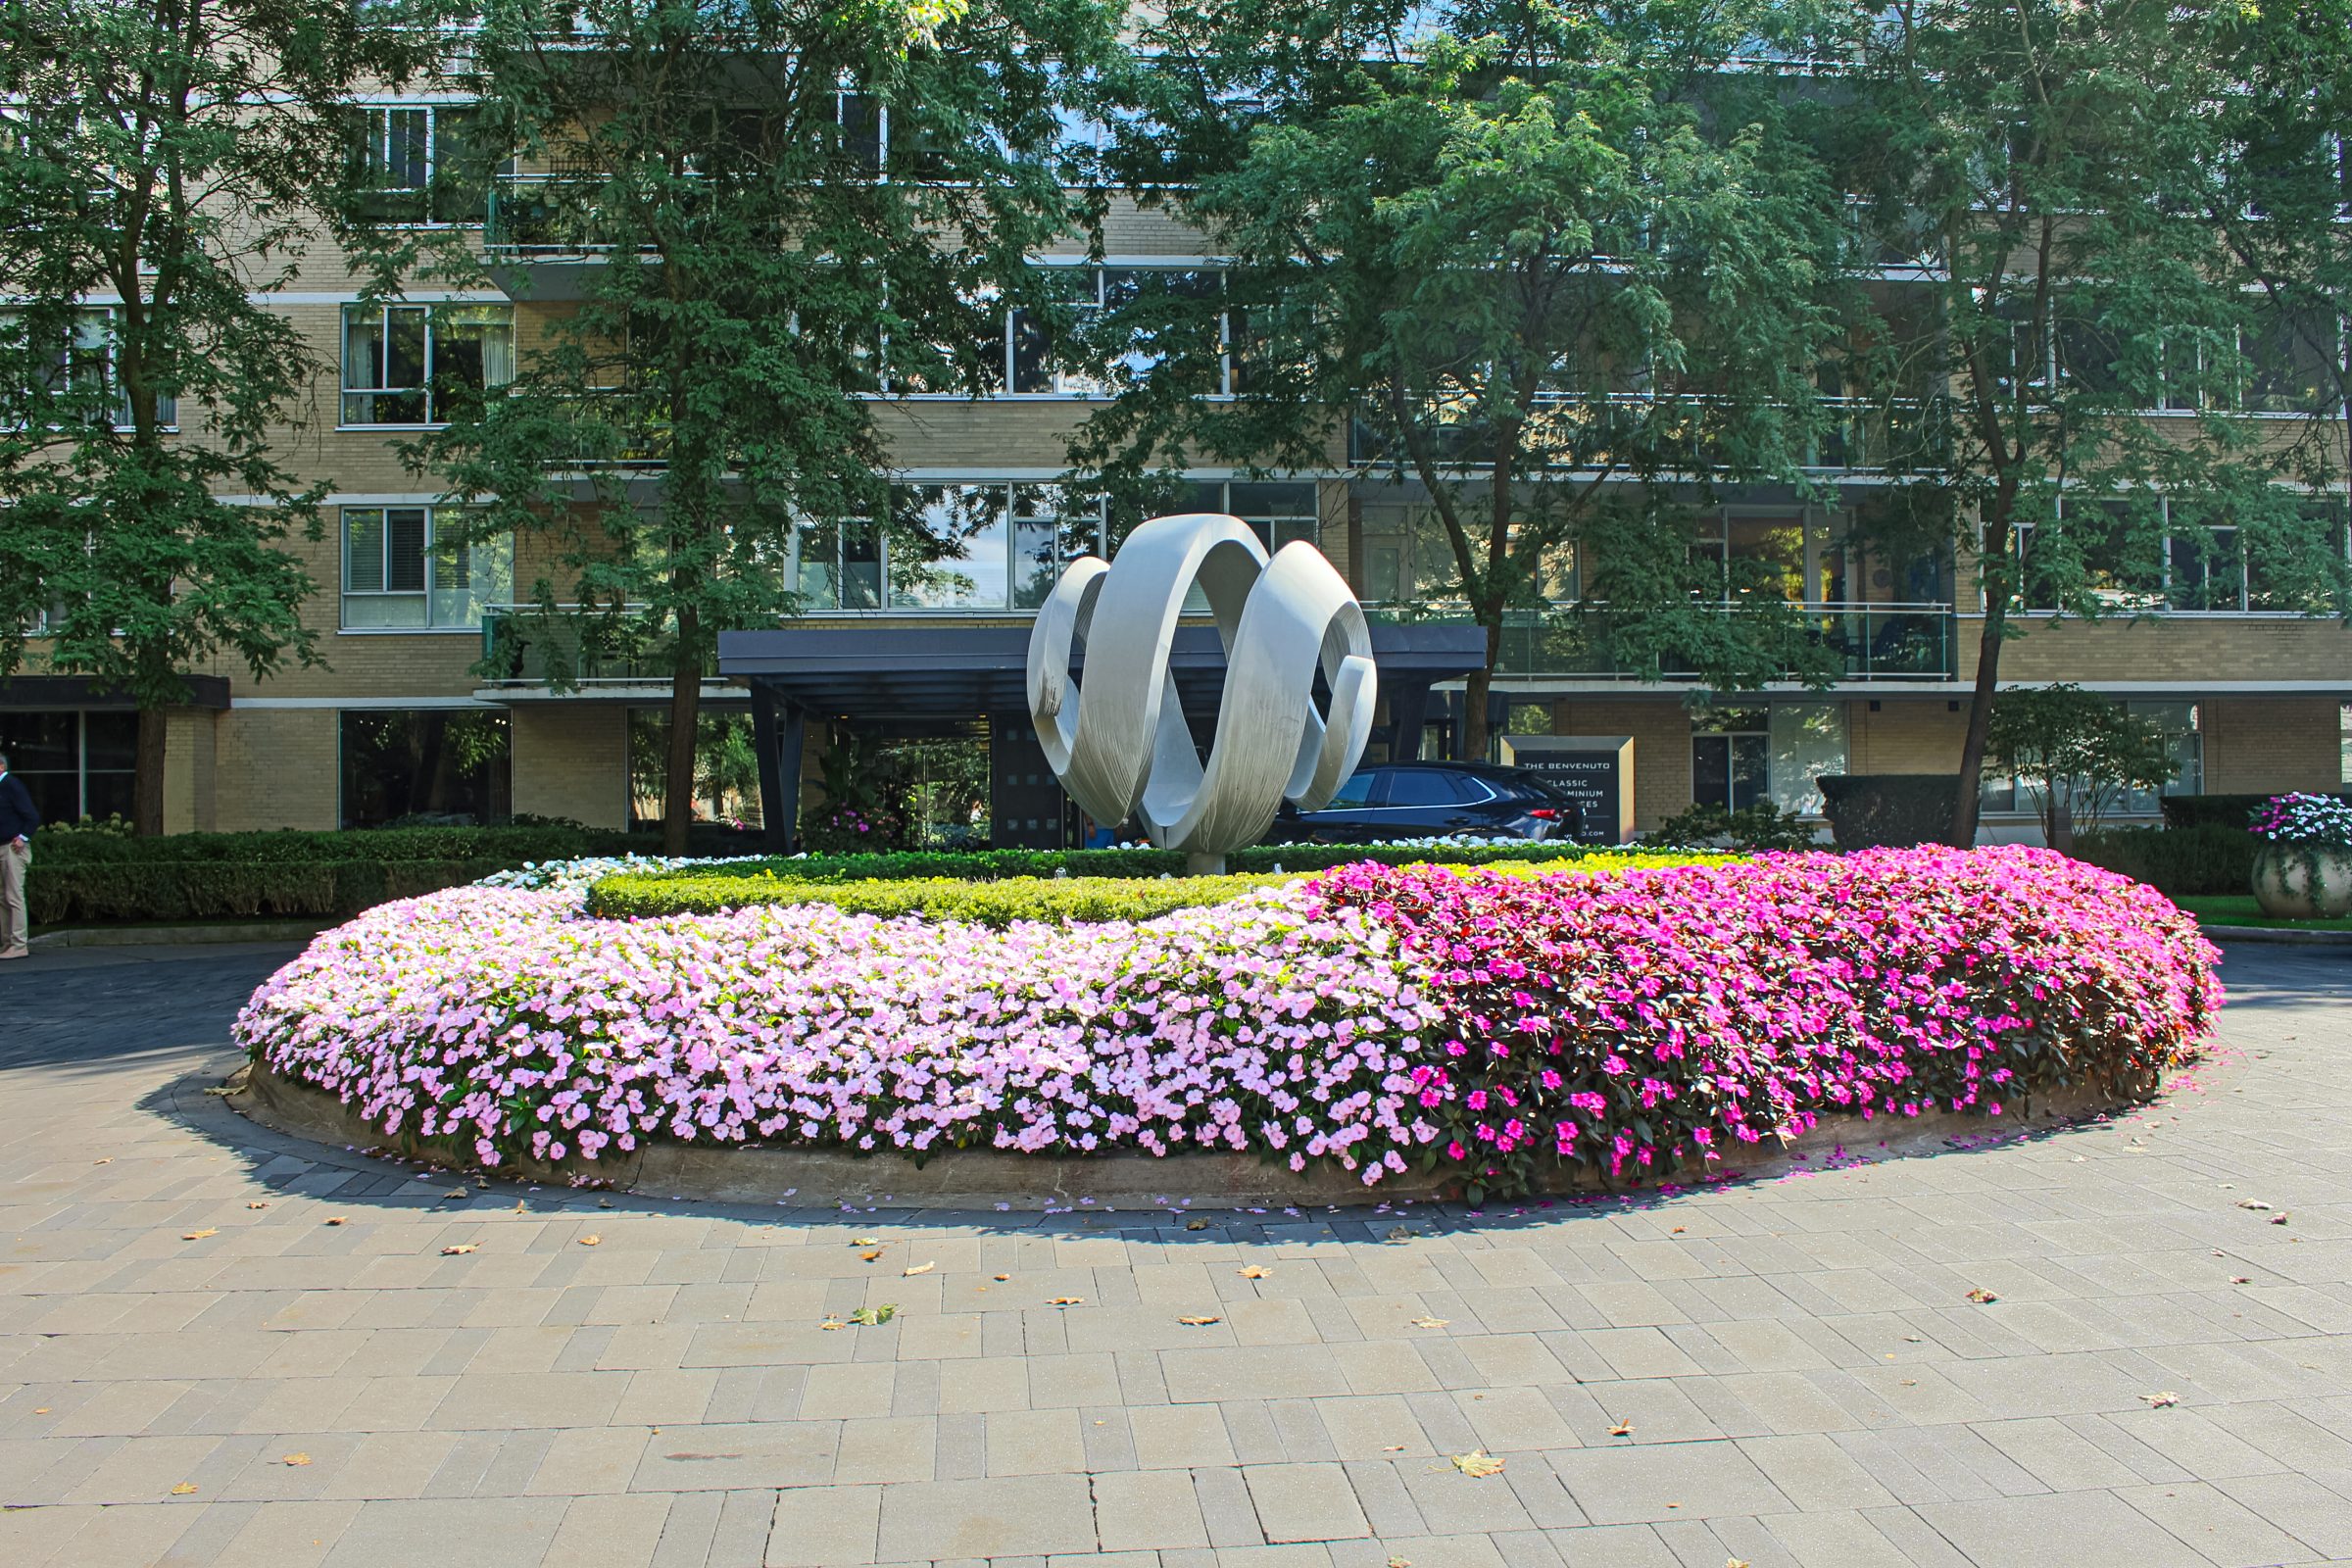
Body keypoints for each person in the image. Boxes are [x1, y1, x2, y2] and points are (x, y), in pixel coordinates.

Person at [0, 750, 37, 960]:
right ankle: (7, 943)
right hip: (2, 846)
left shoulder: (12, 785)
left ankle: (19, 944)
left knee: (13, 896)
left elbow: (31, 816)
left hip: (12, 848)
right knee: (3, 897)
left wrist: (23, 837)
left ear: (1, 766)